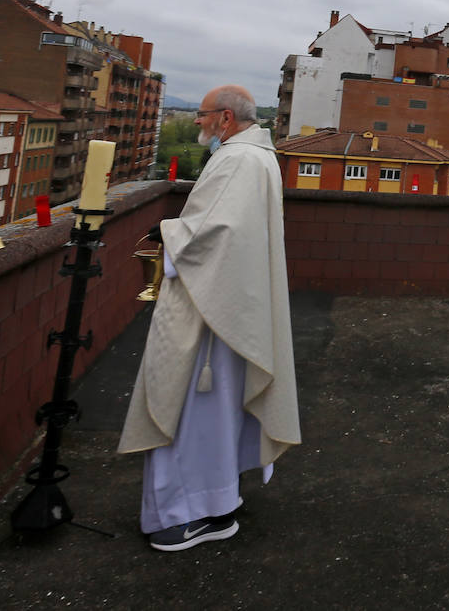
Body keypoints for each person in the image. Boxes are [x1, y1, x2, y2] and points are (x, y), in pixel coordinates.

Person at [118, 85, 300, 551]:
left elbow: (215, 231)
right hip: (228, 306)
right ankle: (217, 501)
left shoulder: (239, 160)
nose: (196, 122)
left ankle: (186, 511)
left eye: (200, 115)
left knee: (194, 414)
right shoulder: (254, 156)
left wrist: (166, 233)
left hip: (212, 316)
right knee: (216, 415)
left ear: (223, 118)